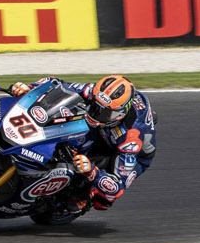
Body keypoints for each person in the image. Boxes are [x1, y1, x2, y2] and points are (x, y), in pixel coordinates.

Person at [11, 75, 156, 214]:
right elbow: (56, 83)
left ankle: (83, 197)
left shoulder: (130, 138)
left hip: (132, 154)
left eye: (105, 113)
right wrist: (30, 88)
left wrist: (92, 171)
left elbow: (117, 187)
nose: (96, 114)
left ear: (120, 114)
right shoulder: (96, 91)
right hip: (102, 130)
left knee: (105, 197)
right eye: (95, 106)